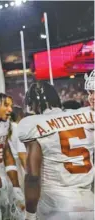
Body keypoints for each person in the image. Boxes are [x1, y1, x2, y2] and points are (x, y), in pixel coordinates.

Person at [18, 81, 94, 220]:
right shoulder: (87, 115)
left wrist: (30, 214)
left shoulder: (32, 123)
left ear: (32, 103)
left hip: (55, 205)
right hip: (89, 201)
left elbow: (33, 177)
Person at [8, 106, 26, 189]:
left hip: (6, 166)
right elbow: (22, 154)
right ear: (19, 115)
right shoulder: (18, 129)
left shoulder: (6, 127)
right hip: (17, 166)